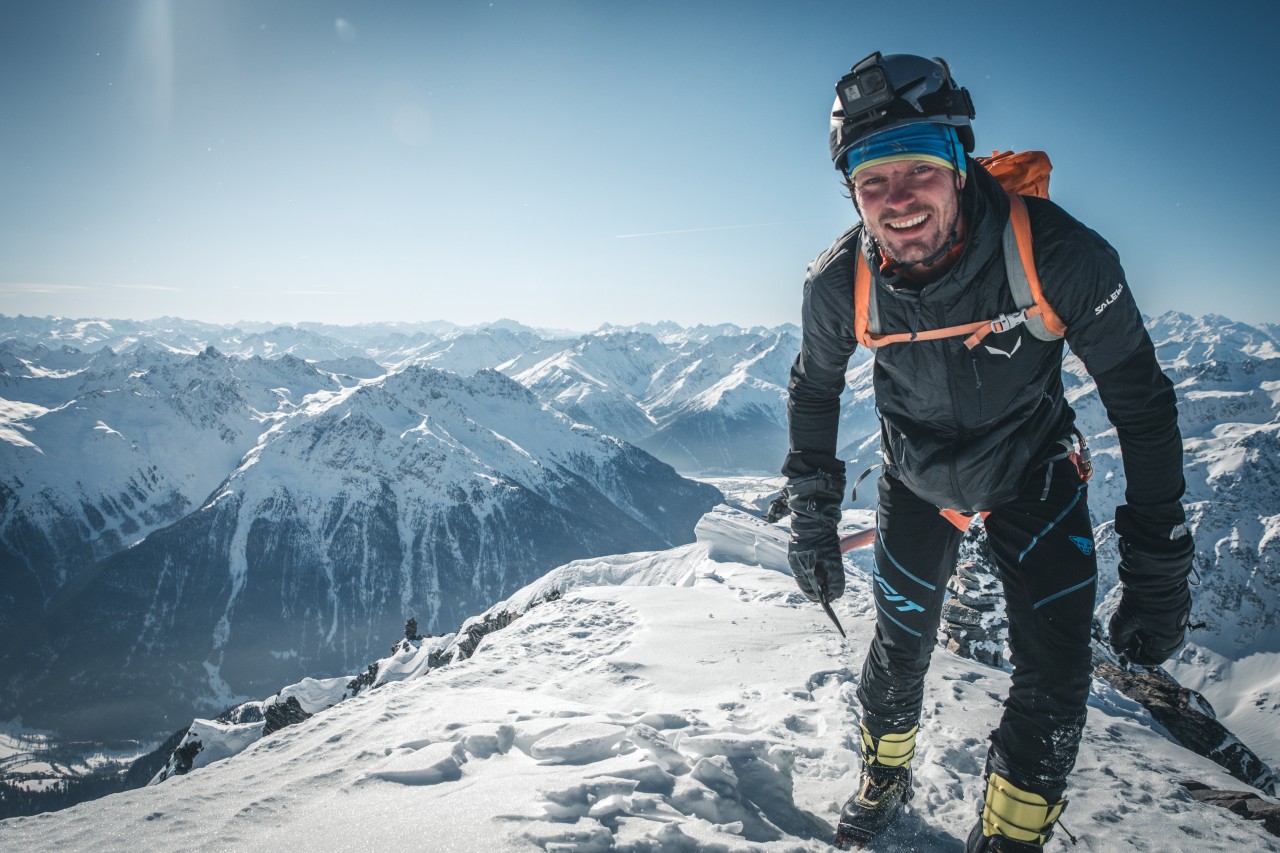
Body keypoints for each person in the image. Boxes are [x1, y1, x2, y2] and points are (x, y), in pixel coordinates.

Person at [782, 52, 1194, 851]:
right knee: (900, 652)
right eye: (872, 179)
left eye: (919, 169)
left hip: (1031, 470)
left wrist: (1159, 564)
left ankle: (1008, 838)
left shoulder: (1061, 255)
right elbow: (813, 392)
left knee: (1057, 674)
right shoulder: (839, 284)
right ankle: (883, 774)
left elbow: (1140, 401)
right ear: (851, 191)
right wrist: (810, 516)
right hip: (918, 475)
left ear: (960, 162)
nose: (897, 201)